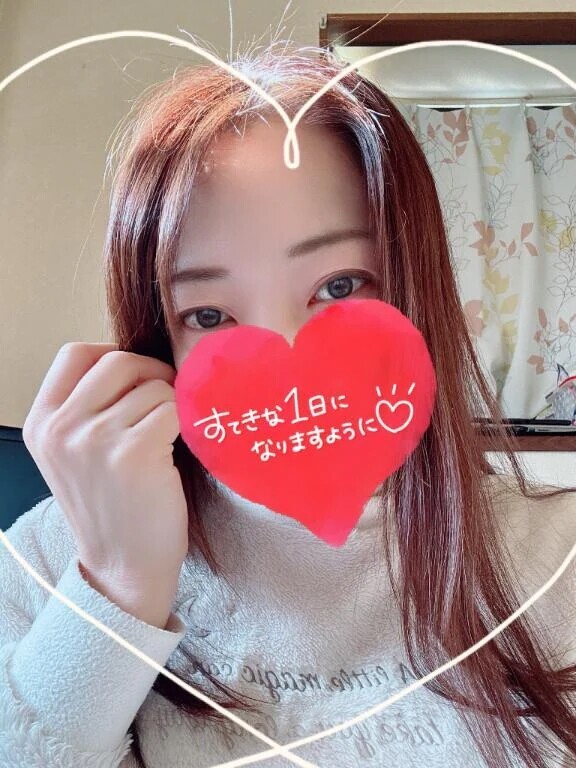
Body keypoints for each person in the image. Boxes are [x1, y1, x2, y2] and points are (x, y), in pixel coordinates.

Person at [1, 39, 575, 768]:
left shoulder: (556, 555)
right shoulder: (49, 560)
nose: (286, 364)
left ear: (414, 284)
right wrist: (118, 585)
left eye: (338, 286)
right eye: (209, 315)